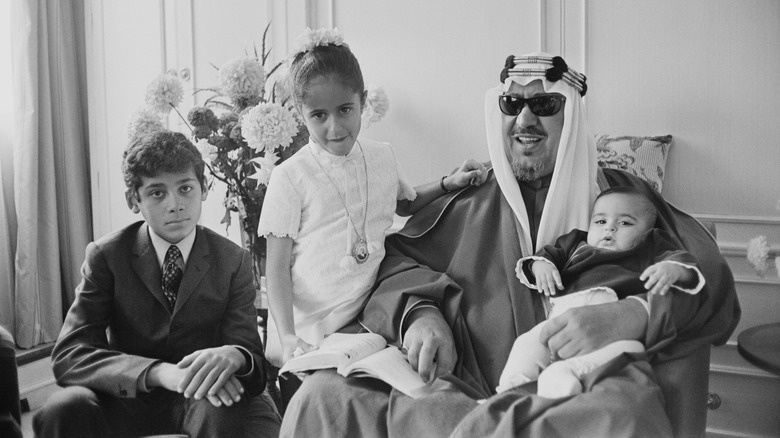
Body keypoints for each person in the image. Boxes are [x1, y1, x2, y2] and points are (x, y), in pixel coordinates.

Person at [280, 53, 740, 438]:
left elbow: (708, 274)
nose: (524, 119)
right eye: (512, 103)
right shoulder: (469, 198)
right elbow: (396, 260)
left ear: (572, 116)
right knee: (322, 399)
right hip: (463, 389)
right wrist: (420, 315)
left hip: (578, 391)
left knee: (621, 417)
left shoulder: (622, 199)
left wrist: (633, 315)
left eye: (543, 103)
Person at [258, 28, 486, 367]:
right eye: (318, 116)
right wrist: (289, 335)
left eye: (345, 110)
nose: (334, 127)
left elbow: (404, 204)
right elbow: (275, 268)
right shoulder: (290, 176)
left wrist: (447, 183)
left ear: (362, 101)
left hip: (372, 306)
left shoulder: (382, 155)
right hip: (314, 327)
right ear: (300, 113)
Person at [33, 131, 281, 438]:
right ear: (133, 200)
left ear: (203, 188)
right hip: (124, 398)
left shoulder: (234, 260)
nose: (175, 205)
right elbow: (70, 354)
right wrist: (158, 373)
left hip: (198, 398)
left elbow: (252, 358)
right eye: (157, 193)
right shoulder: (106, 256)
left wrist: (236, 355)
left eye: (185, 188)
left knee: (222, 403)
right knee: (63, 406)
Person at [497, 187, 705, 397]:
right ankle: (509, 392)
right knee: (526, 343)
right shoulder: (576, 244)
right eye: (600, 221)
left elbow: (683, 260)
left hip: (612, 332)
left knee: (631, 348)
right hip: (560, 321)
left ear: (647, 233)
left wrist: (674, 270)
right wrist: (541, 266)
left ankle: (564, 375)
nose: (610, 229)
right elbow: (547, 255)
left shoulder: (649, 248)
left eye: (624, 223)